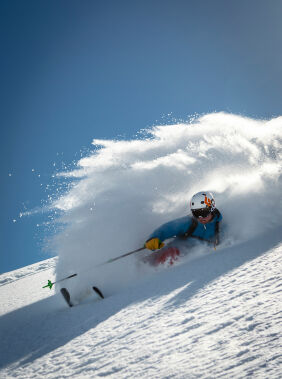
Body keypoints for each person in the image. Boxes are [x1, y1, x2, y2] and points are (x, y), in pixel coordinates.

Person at [144, 192, 222, 265]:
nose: (200, 217)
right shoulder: (190, 223)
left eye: (204, 212)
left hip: (199, 261)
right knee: (169, 256)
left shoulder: (220, 225)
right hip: (175, 252)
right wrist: (155, 238)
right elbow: (168, 228)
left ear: (212, 209)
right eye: (196, 213)